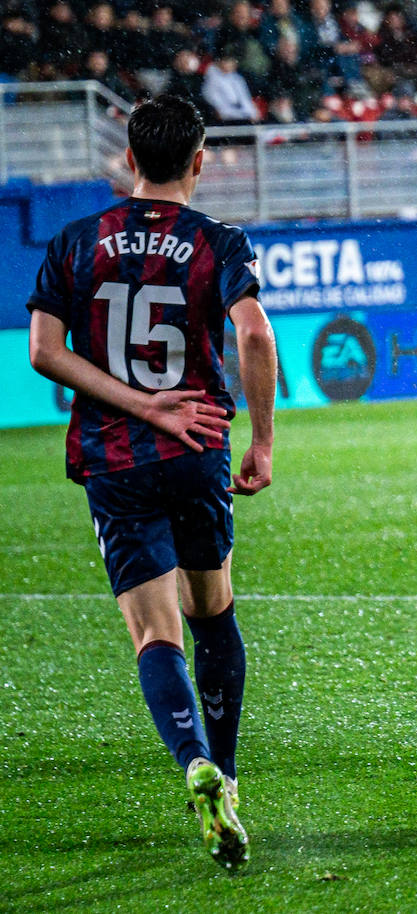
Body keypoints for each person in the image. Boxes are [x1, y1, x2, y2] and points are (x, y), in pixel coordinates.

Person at [25, 94, 277, 867]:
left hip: (115, 457)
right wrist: (261, 440)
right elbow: (256, 335)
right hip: (197, 445)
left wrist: (139, 406)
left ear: (128, 161)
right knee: (212, 609)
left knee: (153, 631)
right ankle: (227, 777)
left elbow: (43, 353)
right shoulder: (216, 241)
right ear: (199, 162)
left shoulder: (75, 242)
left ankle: (191, 760)